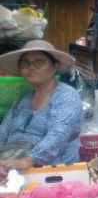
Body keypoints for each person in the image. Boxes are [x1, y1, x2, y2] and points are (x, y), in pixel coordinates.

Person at [0, 40, 82, 169]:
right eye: (25, 63)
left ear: (54, 66)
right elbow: (3, 131)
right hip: (11, 165)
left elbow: (58, 135)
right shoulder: (23, 98)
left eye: (39, 62)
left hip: (52, 170)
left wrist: (28, 160)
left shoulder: (67, 96)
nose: (31, 67)